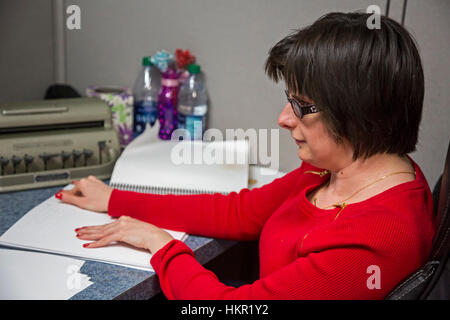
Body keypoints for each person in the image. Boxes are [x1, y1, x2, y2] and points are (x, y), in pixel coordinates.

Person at [56, 12, 435, 299]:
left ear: (359, 112)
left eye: (302, 106)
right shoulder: (335, 169)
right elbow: (241, 212)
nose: (284, 119)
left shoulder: (375, 241)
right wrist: (116, 200)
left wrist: (161, 245)